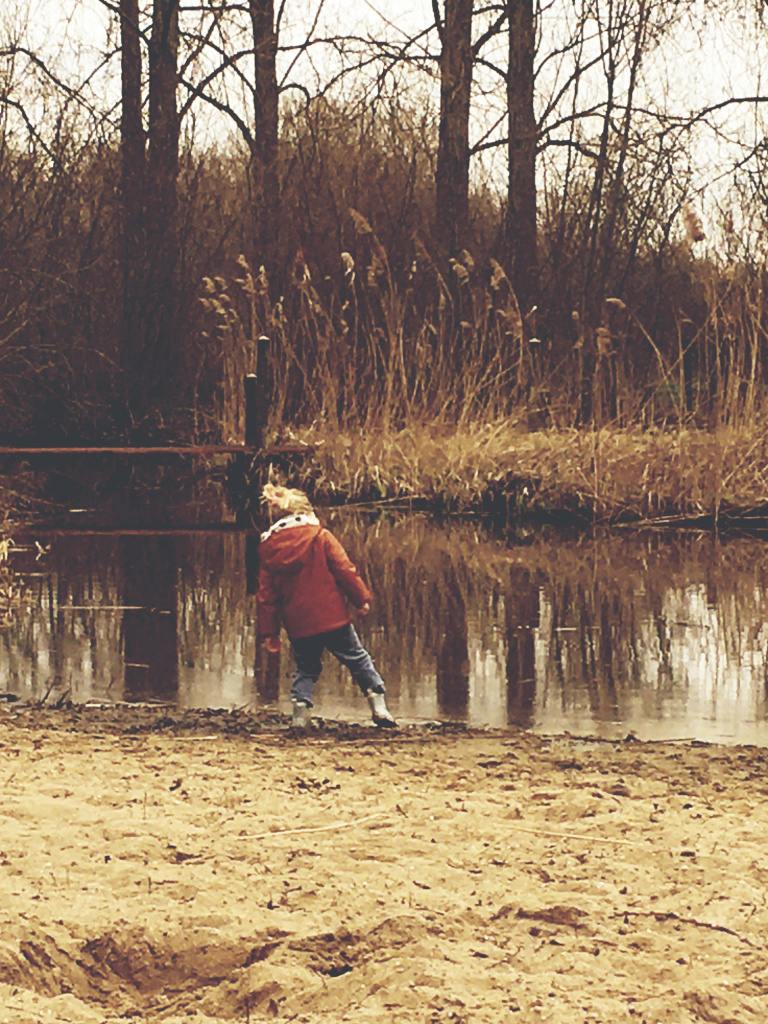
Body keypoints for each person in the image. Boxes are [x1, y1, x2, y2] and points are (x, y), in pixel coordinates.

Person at [256, 483, 397, 729]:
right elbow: (345, 570)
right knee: (357, 658)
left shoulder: (269, 549)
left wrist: (270, 632)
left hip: (298, 623)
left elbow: (266, 596)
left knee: (306, 666)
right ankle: (378, 705)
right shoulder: (321, 537)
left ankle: (300, 713)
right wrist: (360, 598)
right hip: (333, 617)